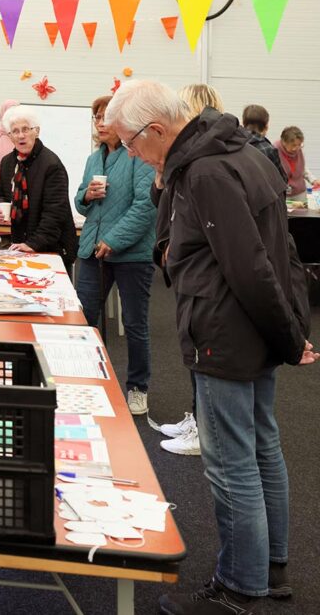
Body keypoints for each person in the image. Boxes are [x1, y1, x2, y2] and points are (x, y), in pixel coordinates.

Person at [106, 79, 314, 615]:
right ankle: (268, 568)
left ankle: (239, 587)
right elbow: (278, 250)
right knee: (262, 447)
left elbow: (249, 265)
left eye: (129, 143)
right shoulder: (238, 152)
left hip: (225, 333)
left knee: (231, 463)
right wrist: (290, 330)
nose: (128, 152)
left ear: (156, 130)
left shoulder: (204, 170)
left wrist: (289, 335)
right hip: (250, 330)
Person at [153, 83, 227, 455]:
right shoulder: (184, 162)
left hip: (203, 281)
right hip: (184, 269)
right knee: (191, 352)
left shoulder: (207, 166)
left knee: (203, 356)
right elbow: (164, 204)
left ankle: (203, 427)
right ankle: (197, 418)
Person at [73, 95, 157, 416]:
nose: (100, 123)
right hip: (92, 252)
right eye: (96, 117)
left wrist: (114, 239)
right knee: (83, 321)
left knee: (135, 324)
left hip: (131, 255)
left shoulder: (137, 157)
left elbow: (145, 205)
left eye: (106, 117)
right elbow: (81, 202)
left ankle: (138, 388)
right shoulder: (94, 160)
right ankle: (88, 380)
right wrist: (86, 195)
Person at [0, 105, 77, 268]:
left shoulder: (51, 164)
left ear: (36, 131)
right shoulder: (7, 162)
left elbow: (55, 213)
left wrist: (33, 244)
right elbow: (2, 194)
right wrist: (0, 205)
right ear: (10, 136)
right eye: (15, 131)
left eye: (25, 129)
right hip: (21, 243)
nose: (21, 136)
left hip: (51, 248)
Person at [242, 104, 285, 180]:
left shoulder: (233, 144)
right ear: (266, 126)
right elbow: (282, 180)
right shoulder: (268, 150)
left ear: (243, 123)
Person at [277, 126, 319, 202]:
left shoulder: (298, 150)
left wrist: (313, 180)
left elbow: (302, 168)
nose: (296, 148)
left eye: (299, 144)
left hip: (299, 192)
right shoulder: (274, 151)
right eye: (293, 145)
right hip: (282, 194)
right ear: (284, 142)